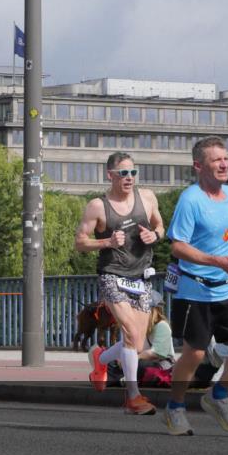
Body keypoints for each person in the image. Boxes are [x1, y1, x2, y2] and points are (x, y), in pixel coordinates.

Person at [163, 136, 228, 436]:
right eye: (216, 159)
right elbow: (178, 247)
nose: (224, 164)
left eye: (226, 158)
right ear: (198, 166)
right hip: (196, 288)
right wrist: (219, 261)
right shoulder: (190, 199)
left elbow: (226, 230)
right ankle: (175, 407)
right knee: (194, 354)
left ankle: (218, 396)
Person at [76, 151, 165, 415]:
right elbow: (80, 241)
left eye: (133, 173)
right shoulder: (98, 206)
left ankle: (100, 358)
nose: (129, 178)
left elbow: (161, 225)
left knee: (138, 344)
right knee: (129, 332)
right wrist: (107, 242)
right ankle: (133, 397)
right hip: (112, 274)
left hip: (141, 275)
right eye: (123, 173)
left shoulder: (147, 198)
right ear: (110, 175)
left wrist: (155, 235)